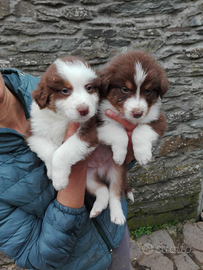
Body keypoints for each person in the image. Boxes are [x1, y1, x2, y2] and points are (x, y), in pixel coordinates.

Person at [0, 68, 136, 270]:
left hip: (115, 235)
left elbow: (111, 154)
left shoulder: (53, 85)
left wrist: (127, 150)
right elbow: (38, 257)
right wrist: (74, 172)